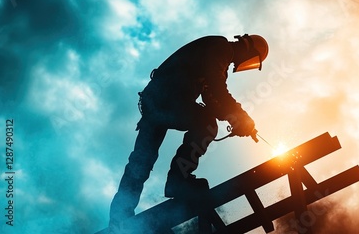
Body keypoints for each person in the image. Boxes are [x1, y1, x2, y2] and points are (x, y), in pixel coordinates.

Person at [108, 34, 269, 229]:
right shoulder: (222, 48)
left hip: (156, 102)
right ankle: (178, 180)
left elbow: (212, 100)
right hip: (168, 100)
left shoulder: (215, 54)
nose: (245, 65)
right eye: (251, 61)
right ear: (248, 49)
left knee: (141, 161)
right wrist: (241, 116)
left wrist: (236, 120)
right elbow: (218, 89)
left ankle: (119, 215)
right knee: (206, 124)